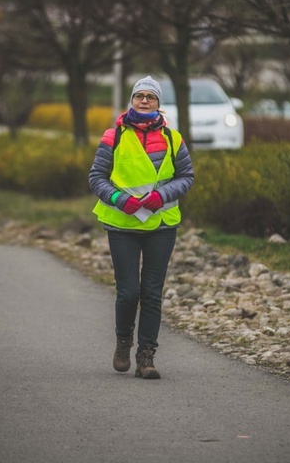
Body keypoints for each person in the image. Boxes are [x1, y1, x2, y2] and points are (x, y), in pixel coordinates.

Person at [89, 75, 194, 379]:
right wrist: (121, 199)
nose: (144, 100)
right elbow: (96, 177)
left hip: (161, 224)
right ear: (131, 100)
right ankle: (124, 342)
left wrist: (162, 195)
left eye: (151, 96)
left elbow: (186, 177)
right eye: (139, 96)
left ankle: (146, 356)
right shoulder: (114, 136)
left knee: (151, 293)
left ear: (159, 103)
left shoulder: (173, 138)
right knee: (128, 293)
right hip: (122, 224)